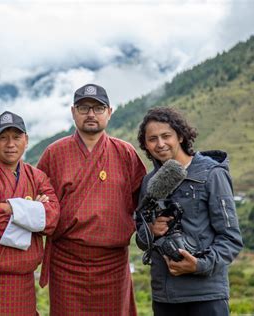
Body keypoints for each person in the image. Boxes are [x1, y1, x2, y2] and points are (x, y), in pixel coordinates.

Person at [36, 84, 147, 315]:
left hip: (113, 262)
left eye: (98, 108)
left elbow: (145, 202)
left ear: (109, 112)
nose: (91, 114)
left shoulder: (125, 153)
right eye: (84, 108)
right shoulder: (54, 153)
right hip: (67, 261)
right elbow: (39, 203)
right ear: (73, 112)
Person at [135, 107, 243, 316]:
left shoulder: (211, 174)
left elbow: (231, 238)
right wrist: (150, 229)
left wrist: (199, 265)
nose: (160, 144)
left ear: (181, 136)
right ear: (146, 145)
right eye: (152, 139)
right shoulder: (149, 182)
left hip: (206, 295)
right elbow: (140, 237)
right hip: (164, 295)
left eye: (166, 136)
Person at [0, 111, 60, 315]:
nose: (10, 144)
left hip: (24, 285)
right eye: (3, 137)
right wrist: (32, 211)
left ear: (26, 140)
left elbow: (52, 218)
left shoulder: (37, 176)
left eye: (16, 137)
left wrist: (11, 207)